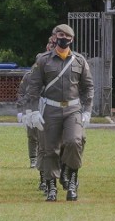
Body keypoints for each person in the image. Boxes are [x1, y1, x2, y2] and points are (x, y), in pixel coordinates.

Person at [24, 24, 94, 201]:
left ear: (72, 39)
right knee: (50, 149)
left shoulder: (79, 61)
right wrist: (33, 111)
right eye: (60, 35)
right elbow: (33, 87)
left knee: (74, 141)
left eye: (67, 36)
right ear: (55, 37)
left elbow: (88, 87)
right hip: (50, 108)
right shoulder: (44, 60)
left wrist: (87, 111)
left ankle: (72, 177)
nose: (63, 38)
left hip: (73, 109)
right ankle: (51, 185)